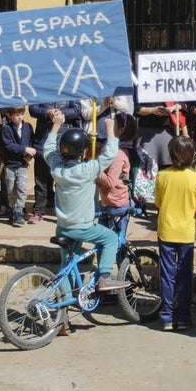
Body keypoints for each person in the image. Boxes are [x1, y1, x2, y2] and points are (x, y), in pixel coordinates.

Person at [44, 115, 130, 293]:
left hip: (63, 226)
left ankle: (64, 302)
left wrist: (56, 126)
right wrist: (110, 130)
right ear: (83, 152)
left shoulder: (57, 168)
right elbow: (109, 154)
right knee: (111, 238)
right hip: (82, 227)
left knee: (67, 264)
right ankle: (105, 277)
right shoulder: (87, 169)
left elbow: (48, 150)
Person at [155, 135, 196, 330]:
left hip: (166, 229)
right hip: (186, 232)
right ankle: (183, 316)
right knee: (185, 275)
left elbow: (157, 202)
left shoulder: (162, 176)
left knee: (167, 275)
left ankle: (167, 316)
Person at [29, 100, 83, 224]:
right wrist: (47, 112)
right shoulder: (41, 90)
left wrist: (62, 113)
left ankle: (62, 212)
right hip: (43, 138)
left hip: (64, 139)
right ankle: (38, 211)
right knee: (41, 179)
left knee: (62, 180)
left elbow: (76, 110)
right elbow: (32, 108)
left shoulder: (70, 90)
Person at [95, 112, 133, 240]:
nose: (109, 124)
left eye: (113, 124)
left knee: (112, 242)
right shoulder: (112, 148)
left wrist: (93, 169)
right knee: (104, 241)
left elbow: (110, 181)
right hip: (108, 202)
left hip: (117, 206)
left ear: (120, 130)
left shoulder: (118, 154)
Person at [0, 106, 35, 227]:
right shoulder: (6, 129)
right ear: (9, 116)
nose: (20, 117)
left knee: (21, 188)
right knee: (10, 188)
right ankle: (12, 209)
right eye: (16, 115)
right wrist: (24, 149)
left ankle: (18, 212)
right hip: (10, 164)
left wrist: (29, 156)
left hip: (23, 164)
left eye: (21, 114)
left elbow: (31, 142)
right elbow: (8, 145)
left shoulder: (28, 127)